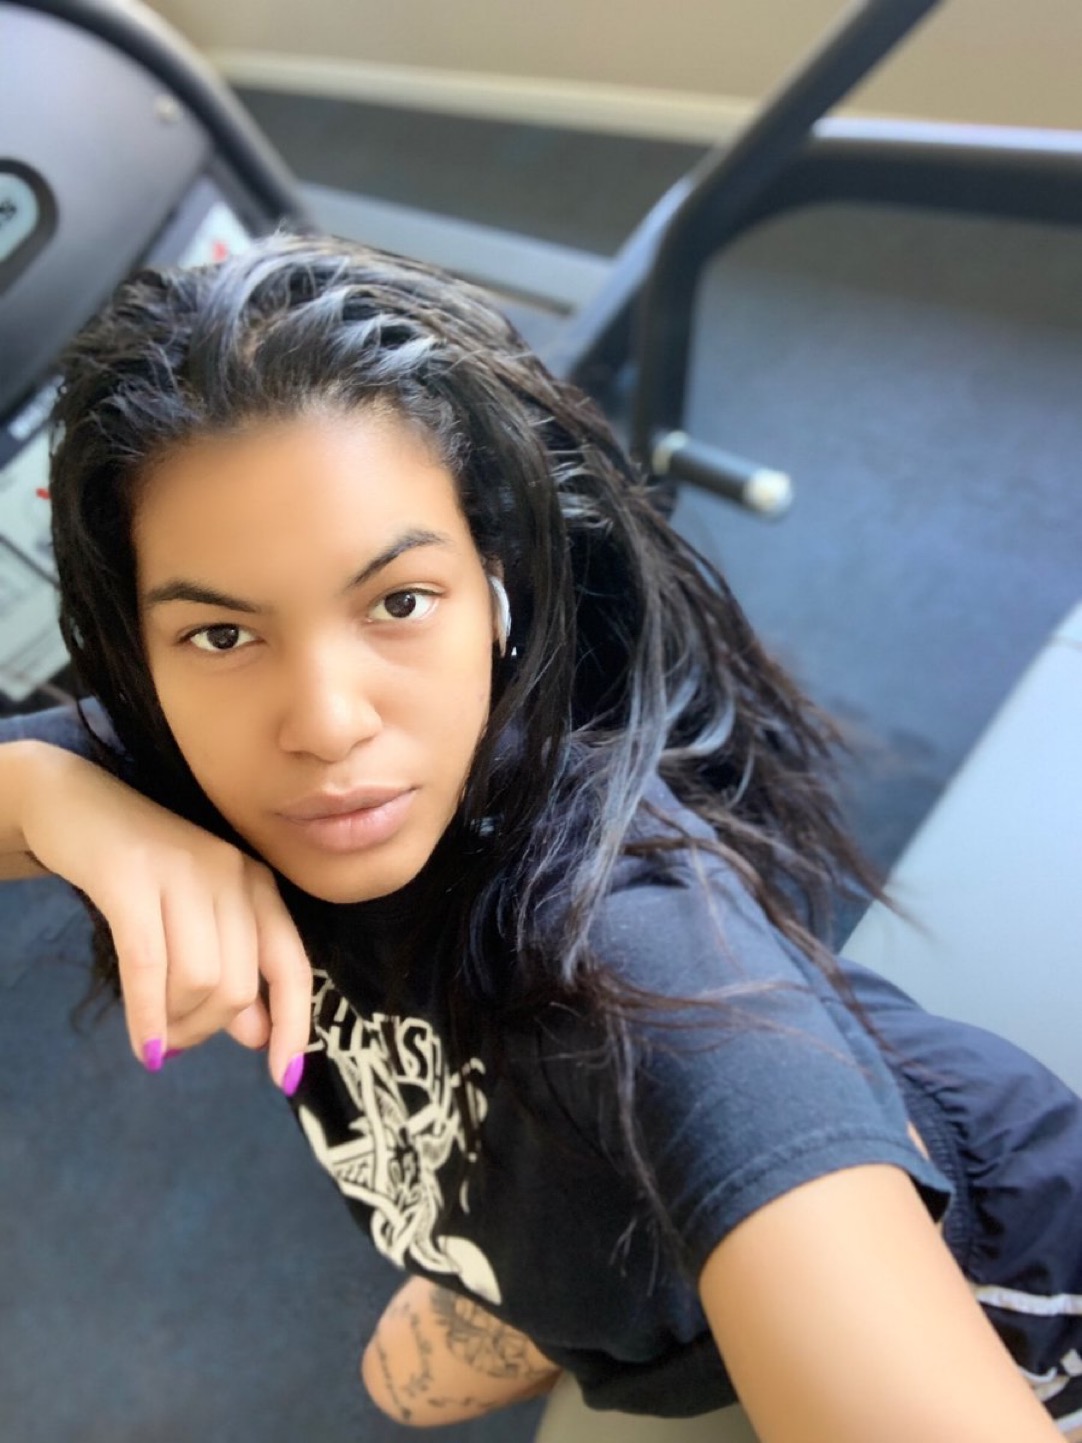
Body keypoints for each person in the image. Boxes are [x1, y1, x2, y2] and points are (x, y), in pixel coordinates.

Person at [1, 233, 1080, 1443]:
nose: (326, 724)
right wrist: (51, 796)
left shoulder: (652, 974)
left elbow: (746, 1115)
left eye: (398, 602)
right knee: (397, 1384)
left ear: (495, 587)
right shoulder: (176, 750)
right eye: (222, 634)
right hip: (565, 1222)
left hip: (1012, 1297)